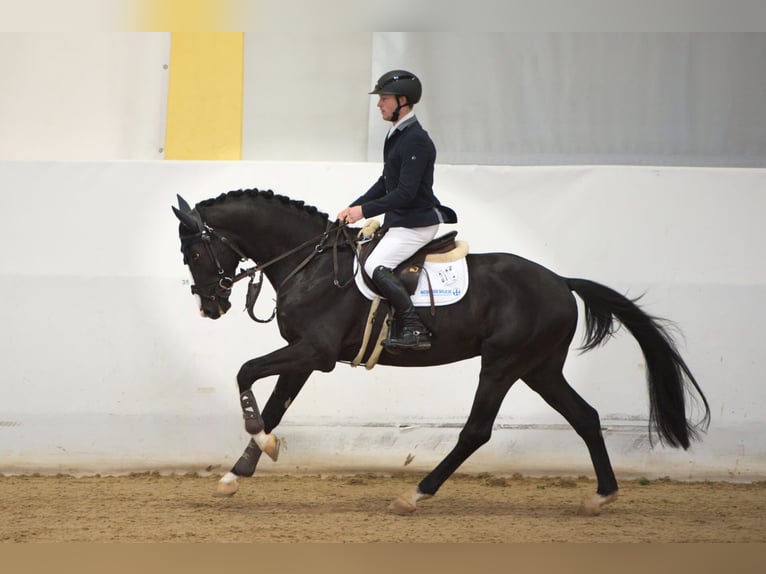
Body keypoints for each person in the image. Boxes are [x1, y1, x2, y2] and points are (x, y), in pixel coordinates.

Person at [337, 70, 457, 351]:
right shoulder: (397, 134)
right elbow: (385, 181)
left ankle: (414, 327)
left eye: (384, 99)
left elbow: (405, 193)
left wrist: (364, 211)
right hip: (401, 220)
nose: (379, 104)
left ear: (403, 101)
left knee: (375, 266)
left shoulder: (415, 139)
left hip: (416, 222)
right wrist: (355, 206)